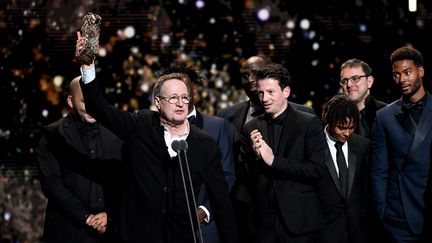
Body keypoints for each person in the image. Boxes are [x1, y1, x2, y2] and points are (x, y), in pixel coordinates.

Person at [76, 32, 238, 243]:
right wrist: (88, 67)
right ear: (158, 102)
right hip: (137, 236)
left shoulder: (204, 143)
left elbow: (221, 203)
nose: (180, 103)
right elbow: (99, 108)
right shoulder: (141, 125)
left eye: (184, 98)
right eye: (173, 98)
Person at [216, 55, 315, 242]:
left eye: (255, 73)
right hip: (250, 213)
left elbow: (315, 168)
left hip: (296, 214)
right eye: (245, 75)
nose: (250, 79)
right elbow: (232, 165)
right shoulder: (230, 117)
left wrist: (273, 161)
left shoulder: (305, 116)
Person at [239, 63, 326, 243]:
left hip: (300, 223)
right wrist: (256, 158)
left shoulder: (309, 123)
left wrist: (274, 161)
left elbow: (316, 170)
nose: (264, 98)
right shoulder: (251, 127)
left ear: (286, 92)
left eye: (271, 92)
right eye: (261, 93)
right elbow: (243, 176)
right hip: (262, 225)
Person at [37, 76, 124, 243]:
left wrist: (110, 214)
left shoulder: (117, 134)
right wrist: (86, 216)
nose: (92, 108)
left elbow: (126, 179)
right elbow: (52, 185)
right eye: (85, 101)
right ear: (71, 101)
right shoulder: (52, 136)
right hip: (67, 231)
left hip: (110, 231)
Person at [162, 66, 236, 243]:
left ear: (194, 89)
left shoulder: (217, 127)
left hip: (204, 229)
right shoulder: (151, 126)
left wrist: (204, 210)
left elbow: (227, 176)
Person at [371, 46, 432, 242]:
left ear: (420, 71)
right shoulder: (384, 117)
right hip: (399, 217)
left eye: (407, 72)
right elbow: (379, 169)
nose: (402, 79)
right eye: (396, 74)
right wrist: (383, 211)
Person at [318, 96, 370, 243]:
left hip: (359, 230)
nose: (347, 133)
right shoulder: (314, 146)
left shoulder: (363, 146)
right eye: (341, 127)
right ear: (328, 121)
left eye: (351, 128)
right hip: (324, 230)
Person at [339, 58, 387, 138]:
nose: (349, 85)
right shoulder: (336, 118)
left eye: (355, 78)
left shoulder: (386, 114)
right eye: (344, 81)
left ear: (369, 82)